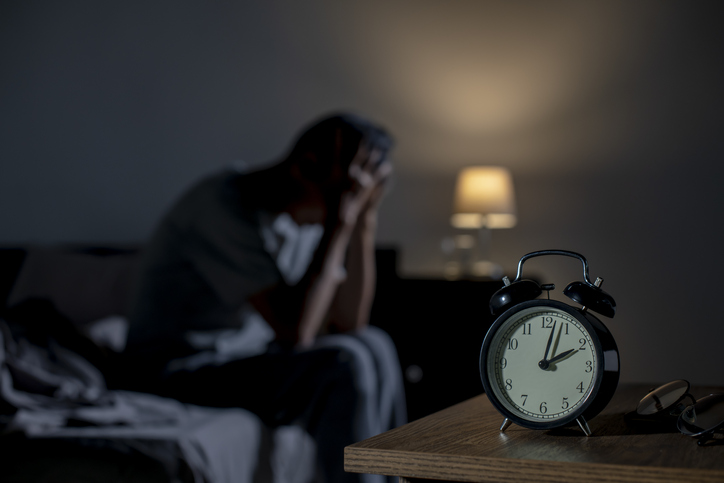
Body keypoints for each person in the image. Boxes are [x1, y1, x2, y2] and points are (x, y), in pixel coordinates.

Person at [123, 113, 407, 482]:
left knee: (374, 343)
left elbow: (349, 323)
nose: (351, 202)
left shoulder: (307, 216)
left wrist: (364, 223)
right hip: (174, 371)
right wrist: (341, 221)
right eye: (350, 191)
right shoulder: (222, 205)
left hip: (243, 358)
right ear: (306, 168)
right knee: (342, 364)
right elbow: (296, 332)